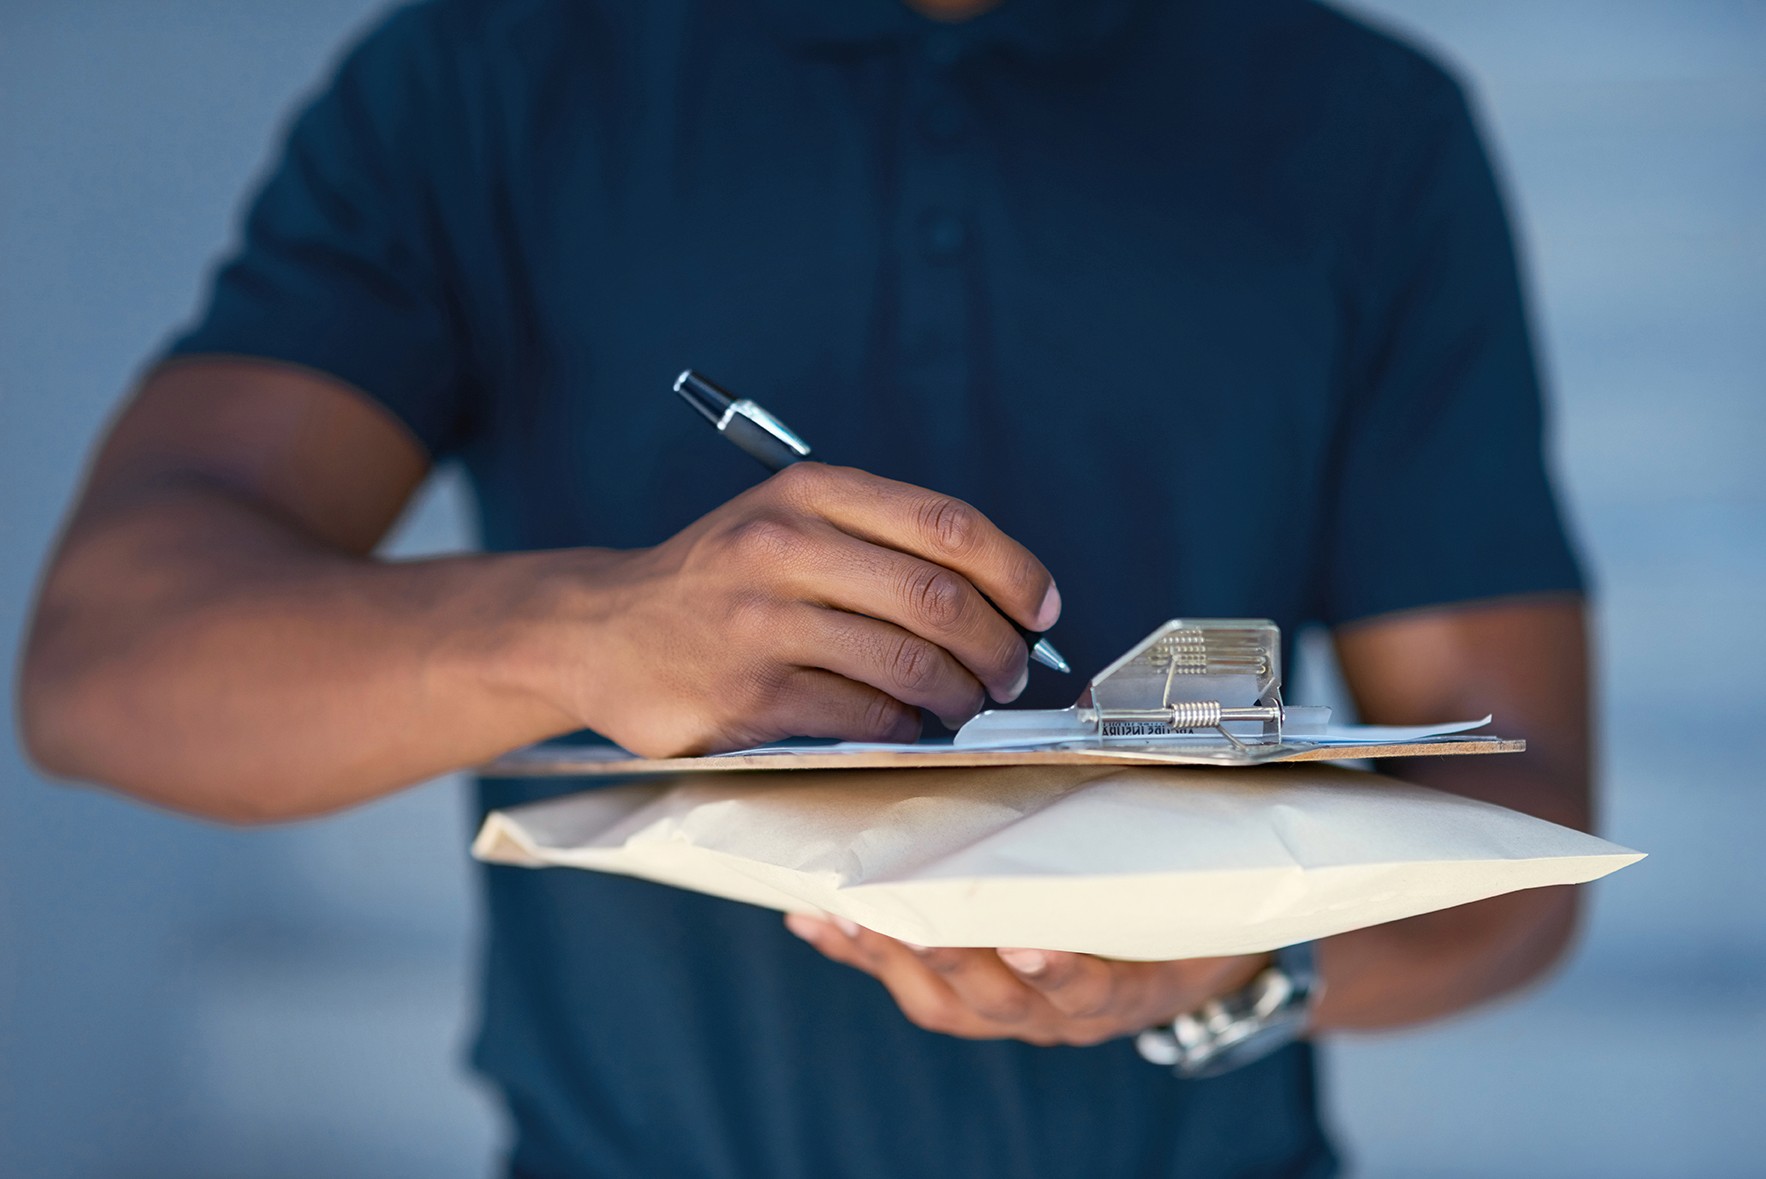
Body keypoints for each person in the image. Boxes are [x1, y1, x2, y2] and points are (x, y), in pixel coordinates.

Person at [19, 0, 1592, 1175]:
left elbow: (1518, 843)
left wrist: (1244, 966)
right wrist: (578, 633)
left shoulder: (1363, 128)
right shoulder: (479, 78)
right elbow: (103, 667)